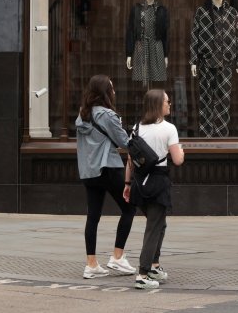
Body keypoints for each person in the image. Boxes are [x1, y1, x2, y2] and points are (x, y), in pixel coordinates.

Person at [74, 74, 137, 279]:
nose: (115, 91)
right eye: (112, 87)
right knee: (129, 207)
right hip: (108, 168)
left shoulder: (83, 115)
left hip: (89, 172)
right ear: (104, 92)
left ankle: (91, 264)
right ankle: (117, 257)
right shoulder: (107, 115)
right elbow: (124, 142)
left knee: (93, 217)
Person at [125, 88, 185, 291]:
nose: (169, 104)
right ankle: (142, 274)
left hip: (139, 184)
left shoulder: (136, 128)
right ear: (158, 105)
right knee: (153, 228)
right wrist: (182, 152)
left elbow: (130, 162)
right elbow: (177, 160)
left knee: (159, 225)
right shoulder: (169, 129)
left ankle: (154, 266)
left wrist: (127, 185)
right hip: (158, 182)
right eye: (167, 101)